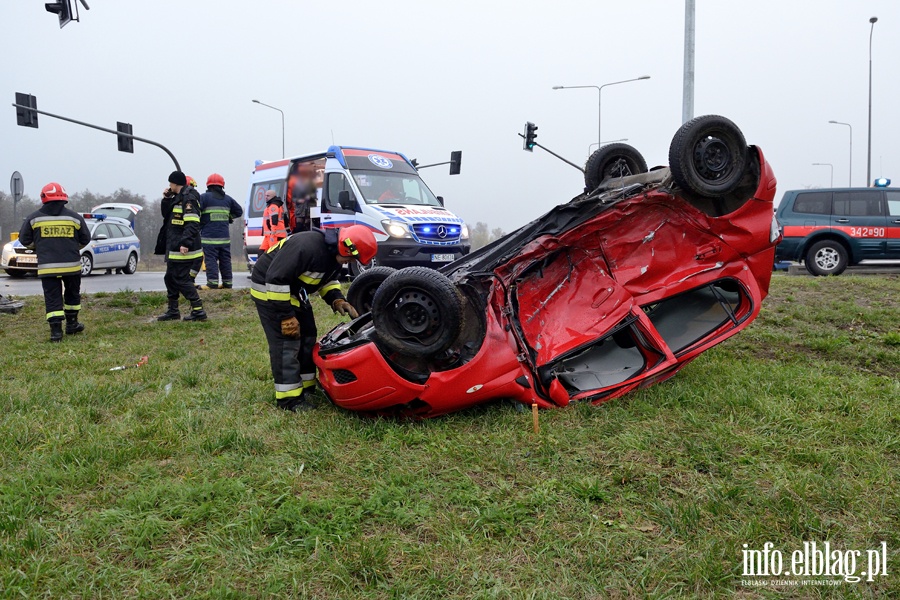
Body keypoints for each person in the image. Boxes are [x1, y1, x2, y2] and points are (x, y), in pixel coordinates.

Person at [250, 225, 376, 411]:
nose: (350, 261)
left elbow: (325, 280)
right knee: (288, 341)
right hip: (271, 291)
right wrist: (286, 317)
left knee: (308, 335)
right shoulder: (306, 246)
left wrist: (336, 299)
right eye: (351, 257)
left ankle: (307, 387)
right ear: (345, 247)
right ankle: (289, 399)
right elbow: (276, 280)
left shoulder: (333, 255)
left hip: (295, 292)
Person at [18, 182, 91, 341]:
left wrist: (39, 248)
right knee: (72, 294)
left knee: (52, 297)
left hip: (47, 266)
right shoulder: (74, 218)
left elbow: (24, 240)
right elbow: (86, 239)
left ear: (44, 198)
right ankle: (72, 325)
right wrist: (72, 248)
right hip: (71, 265)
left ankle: (56, 332)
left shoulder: (33, 218)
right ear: (64, 198)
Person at [157, 171, 207, 322]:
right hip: (174, 247)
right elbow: (166, 215)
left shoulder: (188, 198)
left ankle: (198, 311)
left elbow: (192, 223)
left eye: (170, 183)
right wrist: (166, 198)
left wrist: (185, 243)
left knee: (181, 279)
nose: (169, 186)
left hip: (184, 249)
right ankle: (173, 311)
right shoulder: (177, 198)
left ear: (175, 183)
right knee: (170, 278)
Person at [198, 173, 243, 289]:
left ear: (208, 185)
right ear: (222, 185)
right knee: (225, 261)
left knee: (211, 260)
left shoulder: (203, 198)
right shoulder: (228, 199)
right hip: (224, 239)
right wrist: (229, 217)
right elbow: (239, 211)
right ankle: (227, 283)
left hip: (209, 238)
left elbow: (196, 212)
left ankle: (212, 283)